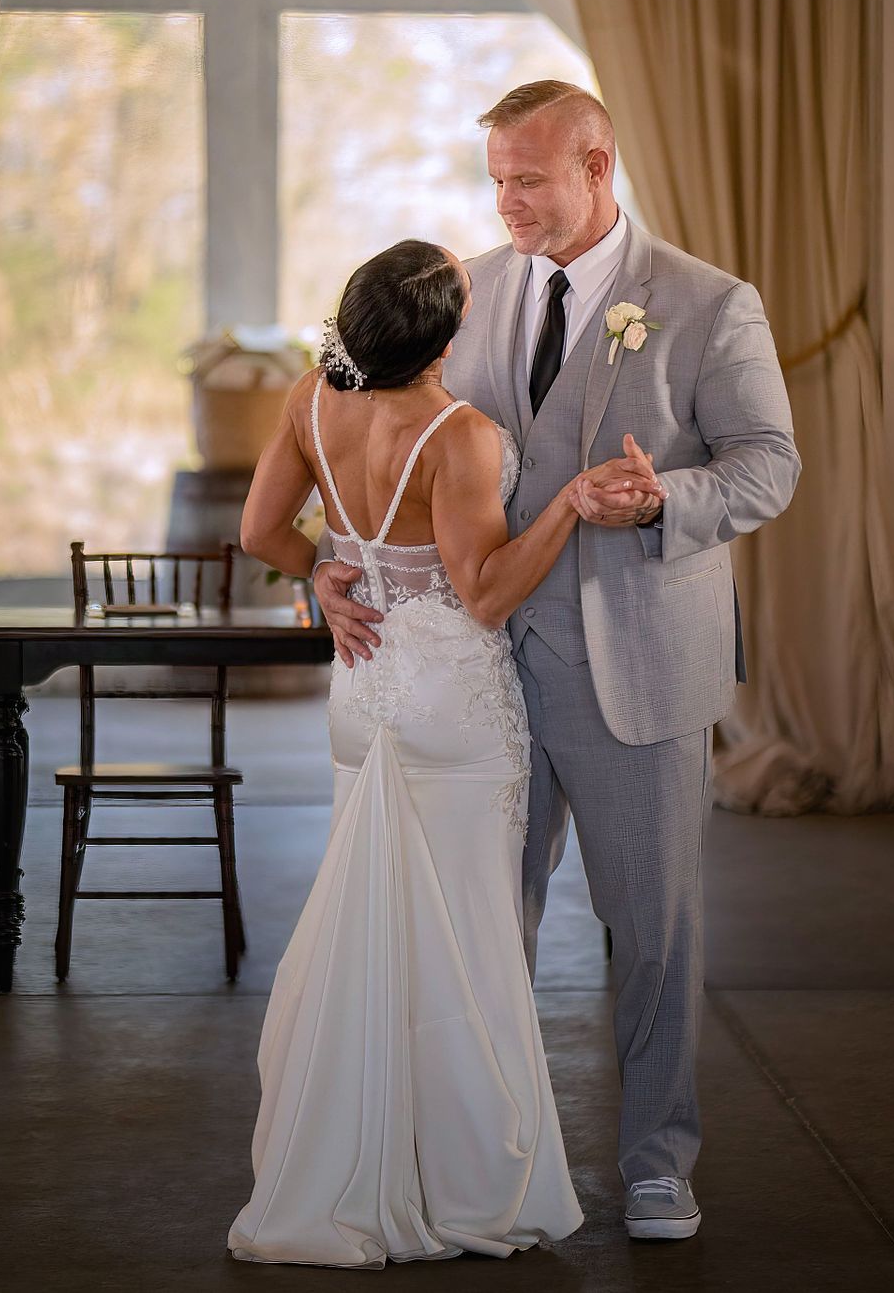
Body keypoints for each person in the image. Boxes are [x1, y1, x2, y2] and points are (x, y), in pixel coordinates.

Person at [313, 81, 801, 1241]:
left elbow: (767, 466)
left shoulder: (708, 303)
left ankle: (656, 1163)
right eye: (496, 179)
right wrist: (331, 566)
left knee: (653, 927)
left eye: (528, 179)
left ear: (598, 164)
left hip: (640, 671)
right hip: (480, 677)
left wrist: (659, 501)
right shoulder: (469, 291)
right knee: (487, 923)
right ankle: (488, 1161)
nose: (508, 202)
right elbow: (381, 439)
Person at [228, 238, 662, 1269]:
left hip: (361, 692)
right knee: (464, 944)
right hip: (451, 710)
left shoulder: (310, 401)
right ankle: (462, 1182)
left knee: (379, 932)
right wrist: (565, 503)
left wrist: (326, 573)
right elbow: (488, 595)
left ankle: (360, 1166)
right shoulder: (456, 433)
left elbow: (259, 532)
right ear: (444, 337)